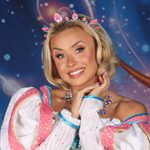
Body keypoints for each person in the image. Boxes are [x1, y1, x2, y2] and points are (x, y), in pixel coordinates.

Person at [0, 7, 149, 150]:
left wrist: (90, 106)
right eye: (60, 56)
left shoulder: (128, 110)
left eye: (79, 49)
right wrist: (72, 115)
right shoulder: (35, 104)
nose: (70, 63)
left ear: (100, 49)